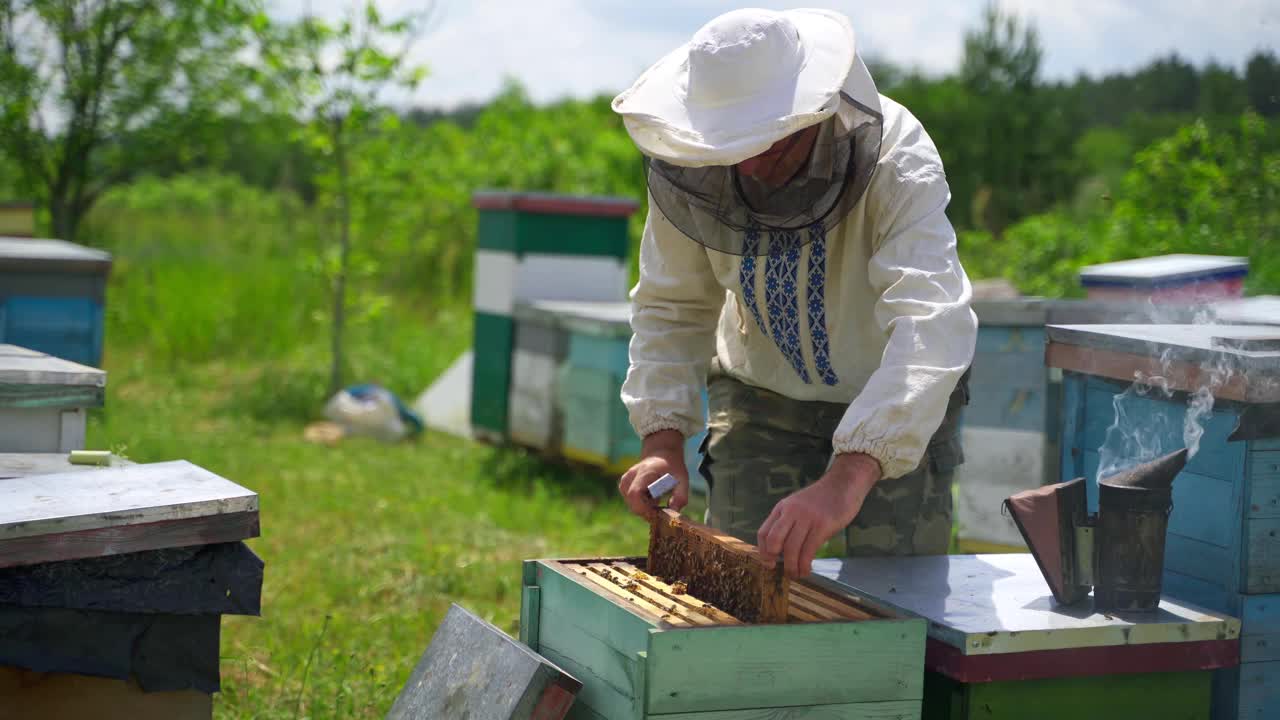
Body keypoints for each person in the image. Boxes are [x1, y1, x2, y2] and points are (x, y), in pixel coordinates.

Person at [611, 8, 978, 579]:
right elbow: (671, 303)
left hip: (893, 397)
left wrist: (850, 474)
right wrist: (662, 440)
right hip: (760, 399)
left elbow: (930, 323)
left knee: (902, 606)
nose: (751, 165)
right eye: (732, 147)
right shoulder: (690, 163)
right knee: (733, 590)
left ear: (818, 109)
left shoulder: (898, 161)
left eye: (770, 143)